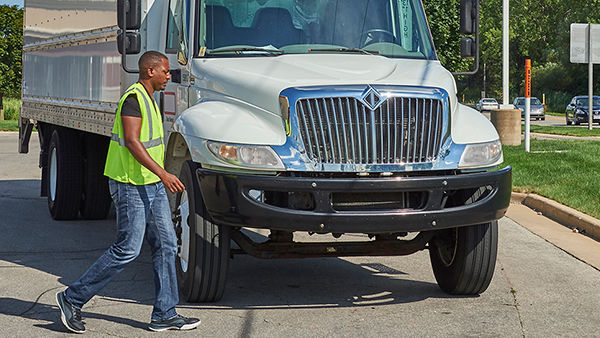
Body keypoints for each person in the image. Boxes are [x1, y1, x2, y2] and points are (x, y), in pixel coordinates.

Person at [56, 51, 200, 333]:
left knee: (167, 245)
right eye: (165, 72)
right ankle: (71, 298)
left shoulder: (150, 99)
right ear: (150, 71)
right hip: (130, 184)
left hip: (151, 184)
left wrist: (159, 177)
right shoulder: (133, 100)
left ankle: (165, 313)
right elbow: (133, 143)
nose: (169, 76)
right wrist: (164, 173)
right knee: (127, 250)